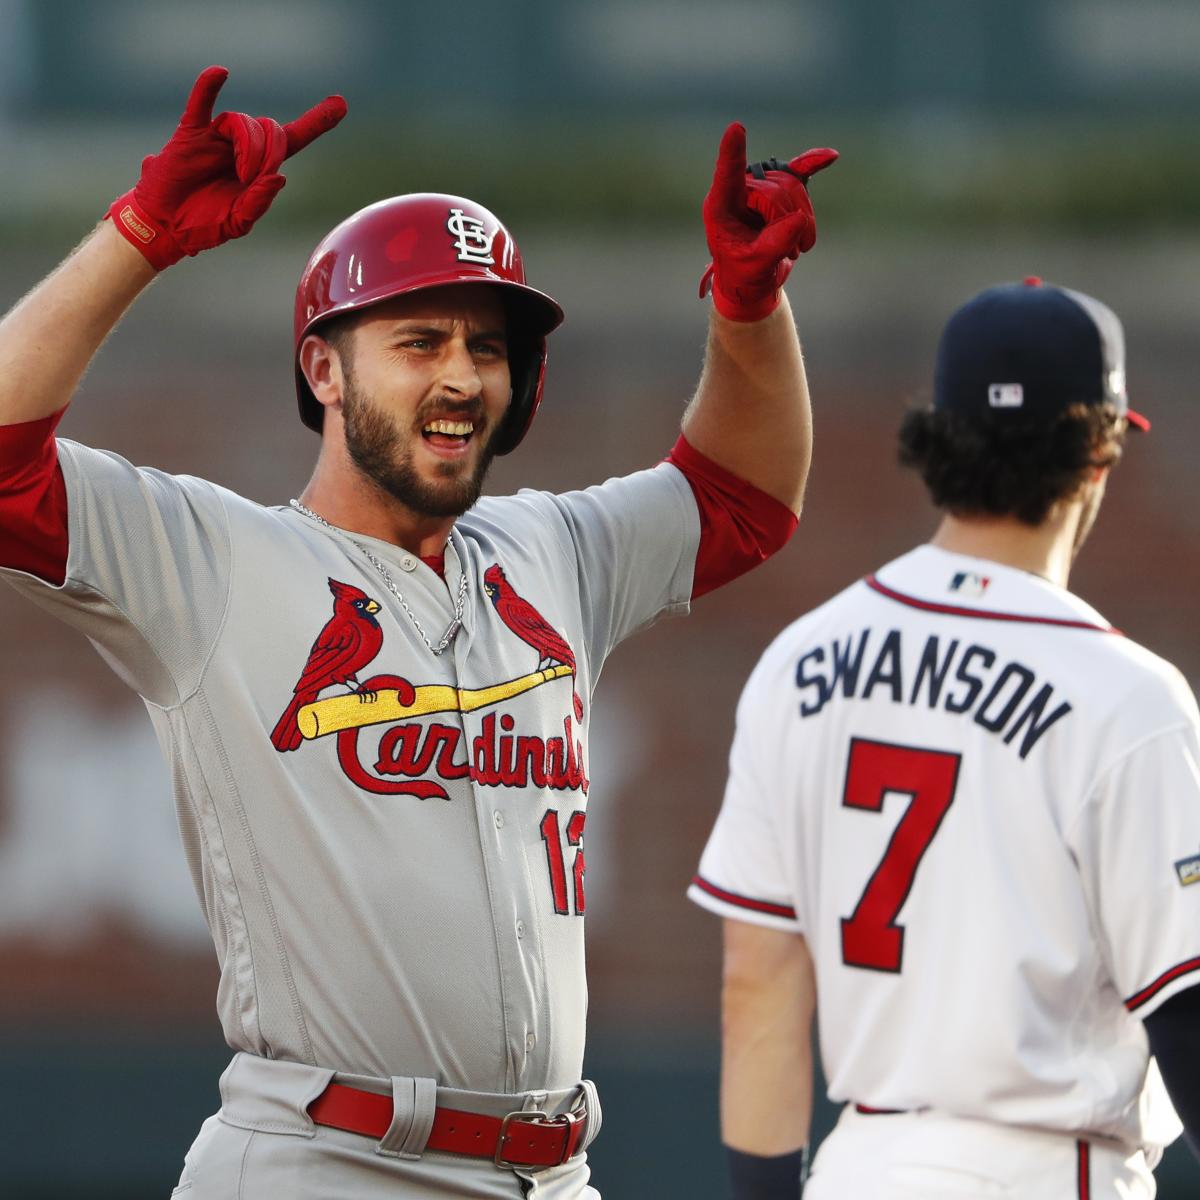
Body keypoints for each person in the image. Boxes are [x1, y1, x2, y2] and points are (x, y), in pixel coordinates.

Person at [0, 65, 836, 1199]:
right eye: (420, 339)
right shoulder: (215, 561)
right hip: (326, 1161)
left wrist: (749, 305)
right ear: (324, 369)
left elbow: (746, 496)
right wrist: (138, 235)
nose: (461, 375)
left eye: (487, 348)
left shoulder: (555, 552)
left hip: (553, 1170)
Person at [689, 278, 1200, 1199]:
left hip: (860, 1167)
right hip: (1048, 1168)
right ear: (1101, 454)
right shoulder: (1128, 697)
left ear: (940, 445)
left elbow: (756, 990)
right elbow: (1188, 1011)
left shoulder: (798, 661)